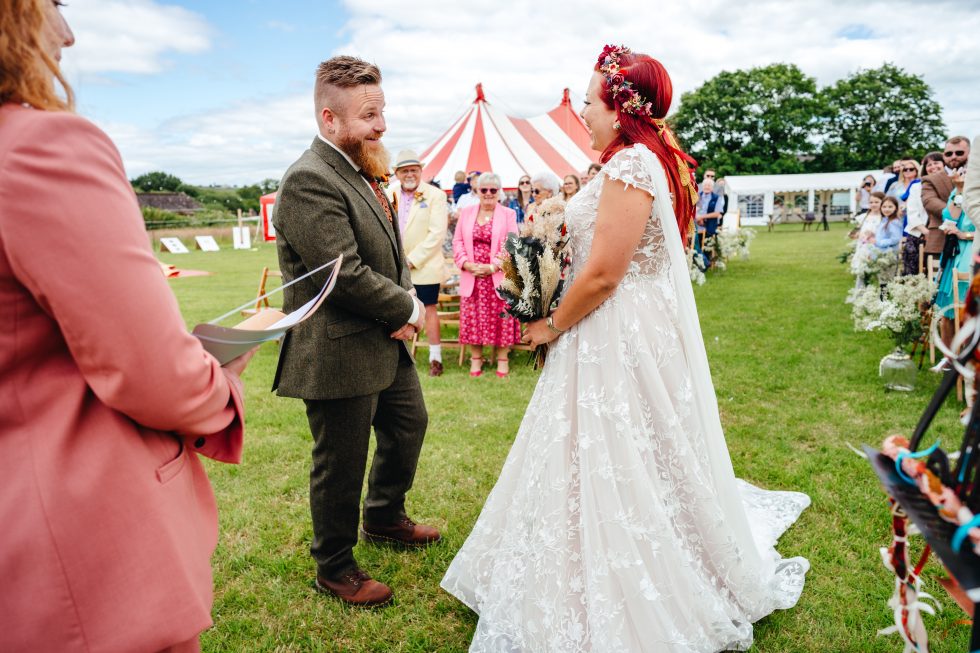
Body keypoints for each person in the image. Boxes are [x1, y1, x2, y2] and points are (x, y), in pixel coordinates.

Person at [441, 45, 809, 652]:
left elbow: (605, 274)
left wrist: (549, 324)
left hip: (617, 328)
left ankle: (650, 568)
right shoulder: (638, 161)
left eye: (588, 99)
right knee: (618, 447)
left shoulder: (633, 166)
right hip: (617, 323)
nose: (582, 110)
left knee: (623, 445)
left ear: (620, 105)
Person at [0, 2, 255, 651]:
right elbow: (156, 374)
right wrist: (221, 378)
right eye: (53, 6)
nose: (69, 32)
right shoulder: (39, 148)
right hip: (79, 552)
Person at [272, 55, 440, 609]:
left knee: (409, 424)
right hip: (338, 349)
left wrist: (401, 304)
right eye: (370, 115)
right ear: (329, 119)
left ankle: (384, 518)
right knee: (340, 462)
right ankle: (335, 566)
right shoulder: (307, 179)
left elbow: (388, 256)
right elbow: (343, 273)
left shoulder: (361, 166)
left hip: (383, 342)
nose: (382, 125)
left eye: (382, 110)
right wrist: (409, 311)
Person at [452, 172, 521, 378]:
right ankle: (475, 360)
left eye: (493, 190)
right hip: (472, 276)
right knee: (473, 318)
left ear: (499, 192)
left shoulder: (508, 214)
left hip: (497, 277)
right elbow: (457, 242)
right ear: (477, 191)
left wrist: (493, 267)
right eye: (484, 190)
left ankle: (502, 359)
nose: (489, 193)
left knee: (501, 317)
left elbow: (512, 243)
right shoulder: (466, 212)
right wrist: (466, 264)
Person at [388, 149, 450, 376]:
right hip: (394, 266)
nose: (409, 174)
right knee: (396, 309)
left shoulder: (435, 195)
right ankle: (399, 357)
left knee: (429, 309)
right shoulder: (389, 192)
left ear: (421, 171)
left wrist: (411, 261)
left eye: (413, 169)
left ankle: (436, 358)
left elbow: (437, 234)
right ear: (397, 173)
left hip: (425, 266)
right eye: (405, 170)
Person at [934, 175, 975, 356]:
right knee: (949, 308)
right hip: (954, 253)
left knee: (968, 305)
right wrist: (959, 190)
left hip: (973, 250)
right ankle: (950, 357)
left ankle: (970, 355)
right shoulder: (958, 189)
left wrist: (963, 234)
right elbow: (950, 216)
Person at [923, 137, 971, 275]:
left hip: (974, 240)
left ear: (970, 153)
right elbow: (930, 202)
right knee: (939, 288)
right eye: (949, 154)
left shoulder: (976, 176)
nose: (953, 157)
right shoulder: (931, 179)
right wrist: (955, 213)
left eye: (959, 153)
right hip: (941, 239)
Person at [898, 160, 925, 275]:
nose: (908, 171)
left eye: (911, 169)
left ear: (917, 170)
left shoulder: (917, 183)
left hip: (914, 219)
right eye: (905, 169)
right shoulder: (897, 184)